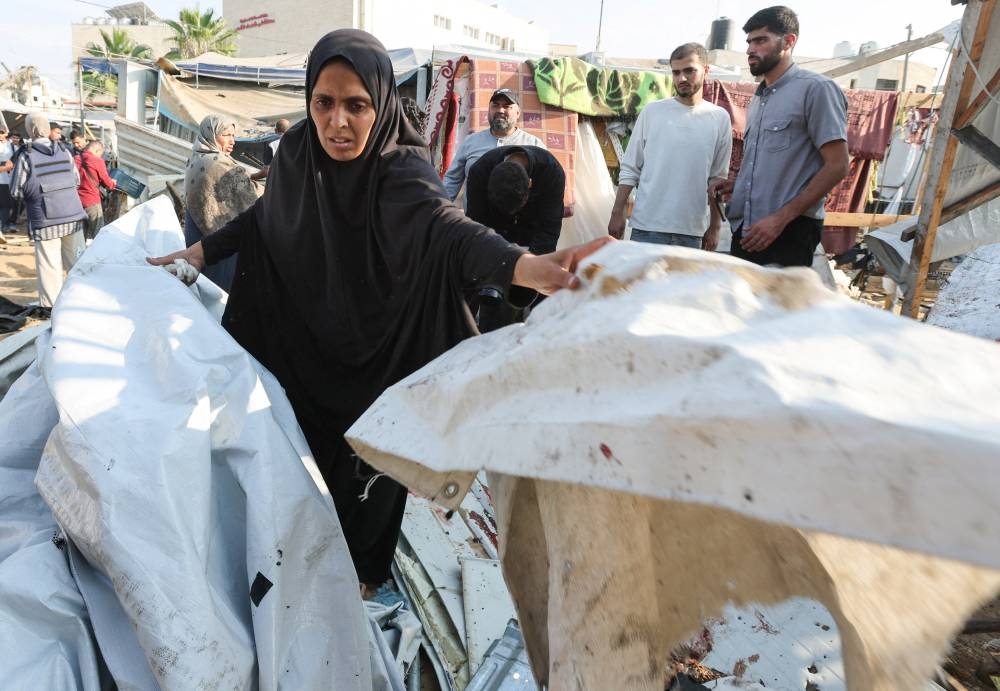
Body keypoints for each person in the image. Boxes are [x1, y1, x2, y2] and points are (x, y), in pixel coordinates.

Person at [148, 29, 611, 588]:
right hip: (307, 343)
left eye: (356, 105)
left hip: (379, 352)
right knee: (299, 467)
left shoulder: (402, 167)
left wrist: (526, 267)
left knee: (368, 480)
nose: (337, 122)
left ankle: (362, 585)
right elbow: (262, 221)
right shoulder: (296, 152)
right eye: (324, 103)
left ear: (382, 103)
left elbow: (447, 228)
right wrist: (197, 253)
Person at [710, 6, 849, 267]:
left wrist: (780, 219)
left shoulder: (816, 90)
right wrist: (738, 185)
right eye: (749, 42)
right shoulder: (760, 97)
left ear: (789, 41)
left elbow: (838, 165)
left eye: (761, 40)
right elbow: (779, 164)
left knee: (780, 308)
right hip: (748, 229)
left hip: (788, 233)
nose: (751, 49)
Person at [608, 43, 732, 250]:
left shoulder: (719, 118)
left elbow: (718, 179)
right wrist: (616, 213)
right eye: (676, 72)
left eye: (689, 70)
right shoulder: (652, 112)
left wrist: (715, 227)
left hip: (692, 232)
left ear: (706, 71)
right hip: (646, 228)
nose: (681, 78)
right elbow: (630, 168)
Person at [465, 144, 565, 331]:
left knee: (541, 325)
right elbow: (476, 230)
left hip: (535, 248)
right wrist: (497, 271)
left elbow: (548, 233)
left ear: (530, 184)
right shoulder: (480, 172)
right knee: (492, 323)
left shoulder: (551, 172)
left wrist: (528, 272)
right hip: (494, 247)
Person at [10, 113, 87, 313]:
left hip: (45, 219)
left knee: (49, 264)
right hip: (72, 216)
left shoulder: (26, 155)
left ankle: (52, 307)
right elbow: (76, 180)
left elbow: (16, 190)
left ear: (30, 130)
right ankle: (84, 299)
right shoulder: (64, 150)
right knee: (77, 262)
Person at [182, 115, 260, 292]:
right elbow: (251, 198)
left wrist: (255, 175)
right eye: (226, 135)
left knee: (202, 293)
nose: (232, 141)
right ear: (210, 134)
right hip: (219, 243)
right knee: (221, 294)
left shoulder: (196, 157)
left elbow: (230, 183)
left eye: (233, 135)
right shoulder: (218, 163)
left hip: (197, 235)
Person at [442, 88, 545, 201]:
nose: (500, 110)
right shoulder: (471, 142)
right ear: (489, 110)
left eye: (507, 106)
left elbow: (547, 184)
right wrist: (439, 210)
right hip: (474, 217)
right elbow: (452, 180)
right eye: (495, 105)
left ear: (517, 113)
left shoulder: (534, 145)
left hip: (519, 218)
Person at [75, 140, 117, 240]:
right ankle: (98, 255)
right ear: (97, 150)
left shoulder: (75, 159)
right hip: (92, 201)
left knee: (80, 236)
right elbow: (107, 182)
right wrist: (113, 183)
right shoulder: (97, 161)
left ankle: (81, 255)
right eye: (100, 154)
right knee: (98, 234)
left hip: (76, 202)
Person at [0, 127, 14, 241]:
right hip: (2, 179)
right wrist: (6, 167)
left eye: (2, 133)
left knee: (7, 205)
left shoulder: (12, 145)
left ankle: (4, 225)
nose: (0, 135)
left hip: (9, 180)